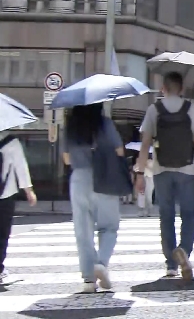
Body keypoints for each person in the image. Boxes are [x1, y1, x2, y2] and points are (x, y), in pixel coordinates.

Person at [135, 71, 194, 281]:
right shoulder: (191, 109)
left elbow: (145, 143)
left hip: (161, 169)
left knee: (166, 216)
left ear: (163, 88)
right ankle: (184, 250)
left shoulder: (153, 110)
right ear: (181, 89)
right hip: (187, 170)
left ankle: (171, 265)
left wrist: (139, 172)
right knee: (189, 215)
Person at [62, 103, 123, 292]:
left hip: (79, 179)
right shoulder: (105, 124)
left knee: (83, 231)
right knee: (109, 227)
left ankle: (89, 279)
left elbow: (66, 159)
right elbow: (119, 151)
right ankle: (101, 264)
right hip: (104, 177)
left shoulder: (70, 127)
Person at [0, 133, 37, 284]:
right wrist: (29, 191)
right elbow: (21, 167)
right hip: (5, 194)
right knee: (2, 233)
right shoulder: (11, 142)